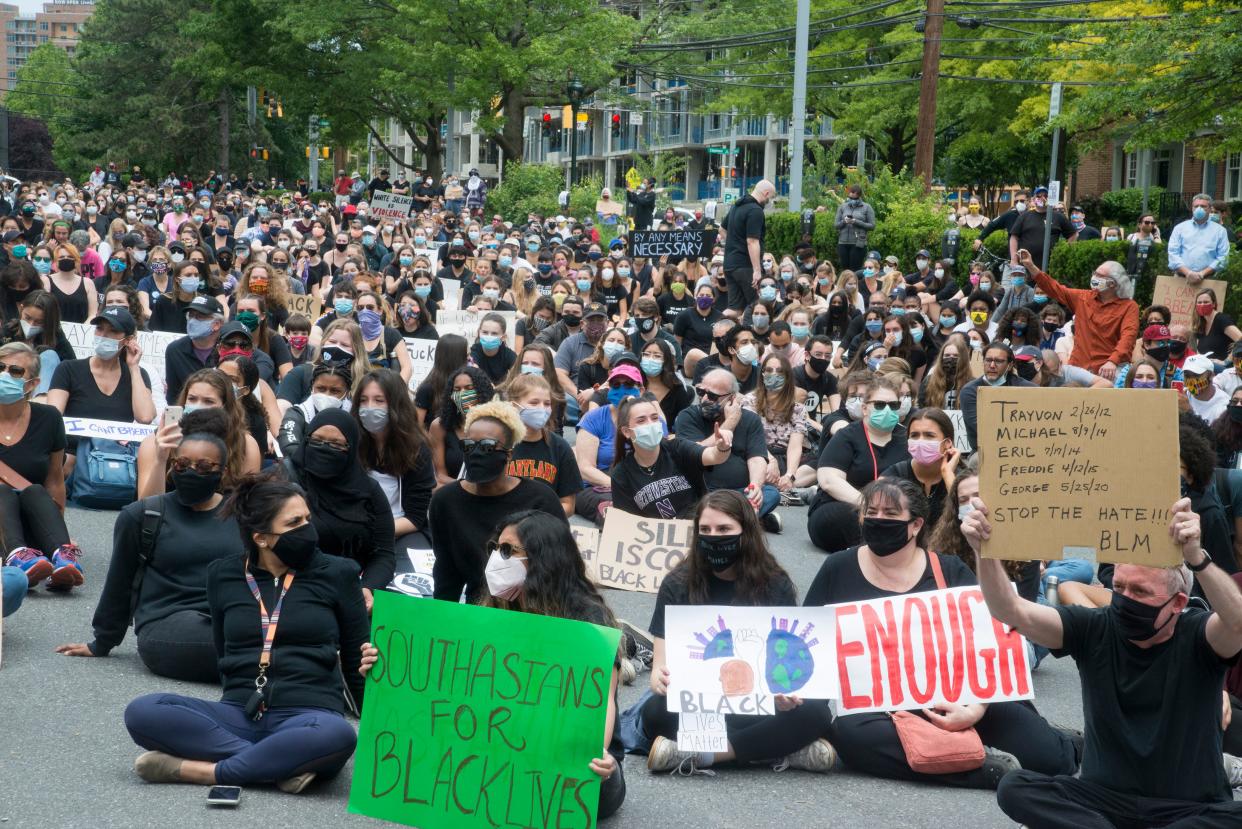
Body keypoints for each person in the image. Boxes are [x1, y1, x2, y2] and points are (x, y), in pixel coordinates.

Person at [963, 496, 1242, 827]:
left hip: (1187, 808)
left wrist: (1196, 557)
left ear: (1178, 603)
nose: (1124, 599)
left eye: (1139, 592)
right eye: (1119, 587)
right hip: (1101, 801)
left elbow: (1237, 622)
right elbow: (1011, 610)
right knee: (1015, 787)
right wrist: (983, 550)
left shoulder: (1199, 636)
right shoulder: (1095, 628)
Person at [806, 479, 1079, 789]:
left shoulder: (948, 570)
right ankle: (980, 770)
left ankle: (1063, 740)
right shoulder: (837, 568)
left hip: (965, 698)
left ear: (915, 525)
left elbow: (990, 648)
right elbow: (810, 642)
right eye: (872, 511)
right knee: (850, 736)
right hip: (882, 711)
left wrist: (975, 709)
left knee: (1052, 761)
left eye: (891, 513)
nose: (879, 519)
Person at [360, 509, 627, 816]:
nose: (496, 559)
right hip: (506, 747)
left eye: (507, 551)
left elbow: (602, 700)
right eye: (495, 549)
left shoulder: (587, 619)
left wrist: (600, 753)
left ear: (544, 560)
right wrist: (385, 664)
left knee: (596, 794)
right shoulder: (493, 609)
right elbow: (443, 677)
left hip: (571, 757)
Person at [121, 475, 366, 792]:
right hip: (239, 714)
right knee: (143, 711)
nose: (308, 529)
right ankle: (277, 766)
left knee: (338, 735)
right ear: (262, 538)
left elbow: (355, 659)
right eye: (295, 522)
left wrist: (377, 723)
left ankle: (202, 772)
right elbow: (225, 653)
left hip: (309, 716)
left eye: (308, 518)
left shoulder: (339, 573)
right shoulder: (223, 575)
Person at [641, 489, 836, 774]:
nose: (714, 536)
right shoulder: (677, 583)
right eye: (705, 529)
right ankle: (775, 750)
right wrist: (660, 679)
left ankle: (706, 754)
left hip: (759, 705)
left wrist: (783, 696)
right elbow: (661, 665)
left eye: (724, 529)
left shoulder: (774, 583)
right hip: (705, 705)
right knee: (655, 712)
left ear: (746, 532)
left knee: (816, 712)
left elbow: (787, 665)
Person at [56, 417, 243, 682]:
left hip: (231, 616)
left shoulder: (242, 516)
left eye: (203, 467)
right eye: (181, 464)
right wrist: (102, 642)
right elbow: (119, 581)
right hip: (167, 623)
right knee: (250, 646)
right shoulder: (143, 515)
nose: (190, 472)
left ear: (222, 472)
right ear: (171, 467)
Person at [427, 400, 565, 601]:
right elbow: (447, 572)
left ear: (509, 454)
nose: (476, 453)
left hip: (535, 606)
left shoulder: (541, 499)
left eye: (487, 447)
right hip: (479, 609)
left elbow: (561, 568)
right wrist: (441, 618)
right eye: (468, 446)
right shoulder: (445, 502)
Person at [285, 408, 394, 610]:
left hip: (349, 594)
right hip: (293, 592)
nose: (324, 449)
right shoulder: (284, 480)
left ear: (351, 449)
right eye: (317, 440)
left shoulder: (368, 490)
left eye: (336, 444)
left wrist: (368, 587)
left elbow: (384, 553)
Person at [0, 342, 79, 590]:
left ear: (32, 384)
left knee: (35, 490)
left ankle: (62, 556)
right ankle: (17, 555)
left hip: (29, 516)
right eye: (0, 367)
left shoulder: (49, 418)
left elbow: (54, 480)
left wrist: (57, 531)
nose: (4, 375)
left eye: (15, 371)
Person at [47, 306, 155, 481]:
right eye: (99, 329)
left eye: (113, 331)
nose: (103, 336)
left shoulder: (139, 375)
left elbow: (145, 417)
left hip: (117, 457)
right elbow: (52, 414)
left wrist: (133, 367)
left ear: (129, 340)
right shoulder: (68, 369)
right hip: (72, 454)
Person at [808, 374, 909, 553]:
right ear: (864, 408)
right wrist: (869, 506)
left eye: (893, 406)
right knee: (843, 517)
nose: (887, 410)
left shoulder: (907, 438)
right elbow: (829, 480)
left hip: (895, 510)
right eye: (879, 405)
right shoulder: (847, 436)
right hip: (847, 505)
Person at [677, 368, 783, 533]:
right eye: (701, 391)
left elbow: (756, 458)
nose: (704, 398)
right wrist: (731, 422)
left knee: (771, 493)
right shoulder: (688, 416)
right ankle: (748, 520)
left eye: (712, 396)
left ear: (732, 398)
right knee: (689, 502)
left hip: (739, 492)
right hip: (703, 491)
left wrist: (755, 485)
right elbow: (696, 452)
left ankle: (730, 519)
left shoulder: (751, 419)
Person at [610, 394, 733, 518]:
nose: (650, 424)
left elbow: (714, 456)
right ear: (626, 431)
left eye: (654, 418)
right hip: (657, 535)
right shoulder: (621, 474)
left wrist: (723, 447)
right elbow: (627, 521)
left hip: (698, 526)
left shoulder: (677, 447)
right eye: (641, 420)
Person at [504, 373, 580, 517]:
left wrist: (538, 519)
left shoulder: (560, 447)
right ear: (514, 406)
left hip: (544, 526)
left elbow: (568, 505)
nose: (542, 409)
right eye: (534, 403)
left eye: (547, 404)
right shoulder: (499, 444)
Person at [741, 353, 810, 500]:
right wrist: (770, 461)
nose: (774, 375)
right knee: (745, 463)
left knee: (820, 463)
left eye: (779, 371)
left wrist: (790, 475)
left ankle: (785, 484)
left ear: (787, 376)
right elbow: (751, 439)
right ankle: (791, 490)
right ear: (763, 373)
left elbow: (795, 446)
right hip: (759, 453)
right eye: (769, 370)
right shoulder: (749, 401)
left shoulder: (798, 408)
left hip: (786, 457)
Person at [881, 407, 959, 525]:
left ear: (947, 443)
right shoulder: (893, 475)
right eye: (914, 435)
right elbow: (875, 516)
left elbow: (967, 517)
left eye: (929, 435)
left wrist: (947, 474)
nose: (920, 441)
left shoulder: (962, 477)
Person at [959, 343, 1037, 449]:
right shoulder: (970, 391)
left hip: (1022, 448)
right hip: (985, 450)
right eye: (988, 360)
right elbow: (981, 428)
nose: (992, 365)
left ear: (1009, 365)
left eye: (999, 361)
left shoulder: (1028, 389)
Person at [429, 365, 495, 485]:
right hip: (453, 494)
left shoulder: (496, 425)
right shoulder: (439, 426)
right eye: (457, 390)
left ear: (481, 392)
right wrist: (466, 488)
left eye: (469, 388)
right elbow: (439, 475)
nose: (462, 394)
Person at [722, 180, 776, 312]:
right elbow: (752, 241)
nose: (769, 201)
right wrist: (757, 270)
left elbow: (722, 230)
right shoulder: (755, 211)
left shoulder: (737, 206)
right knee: (759, 307)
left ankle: (717, 328)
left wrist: (734, 244)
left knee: (735, 309)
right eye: (770, 198)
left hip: (729, 265)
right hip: (746, 266)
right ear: (766, 193)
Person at [1009, 185, 1077, 269]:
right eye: (1038, 196)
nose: (1042, 198)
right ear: (1033, 199)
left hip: (1051, 267)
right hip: (1026, 266)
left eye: (1045, 196)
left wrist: (1064, 252)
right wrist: (1014, 259)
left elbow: (1073, 234)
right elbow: (1014, 237)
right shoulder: (1024, 217)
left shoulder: (1058, 217)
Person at [1168, 192, 1230, 284]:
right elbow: (1173, 253)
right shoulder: (1179, 228)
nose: (1199, 209)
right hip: (1181, 279)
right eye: (1196, 206)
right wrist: (1188, 273)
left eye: (1203, 206)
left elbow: (1223, 258)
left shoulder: (1220, 231)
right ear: (1192, 208)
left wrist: (1202, 274)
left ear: (1209, 209)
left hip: (1208, 279)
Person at [835, 185, 876, 272]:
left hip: (858, 243)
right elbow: (836, 225)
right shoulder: (842, 207)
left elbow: (872, 226)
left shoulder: (867, 207)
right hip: (843, 242)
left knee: (855, 270)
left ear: (859, 196)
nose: (852, 200)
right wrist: (844, 221)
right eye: (850, 197)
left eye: (855, 198)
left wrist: (855, 221)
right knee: (845, 270)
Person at [1193, 288, 1241, 362]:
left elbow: (1240, 340)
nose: (1202, 305)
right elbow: (1199, 352)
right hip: (1205, 368)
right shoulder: (1200, 324)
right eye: (1199, 302)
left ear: (1214, 304)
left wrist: (1226, 361)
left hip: (1224, 370)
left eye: (1206, 302)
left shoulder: (1222, 319)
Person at [1184, 353, 1230, 425]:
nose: (1191, 380)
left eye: (1197, 375)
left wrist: (1189, 411)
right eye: (1187, 375)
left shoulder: (1224, 406)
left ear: (1211, 376)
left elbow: (1207, 435)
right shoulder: (1182, 395)